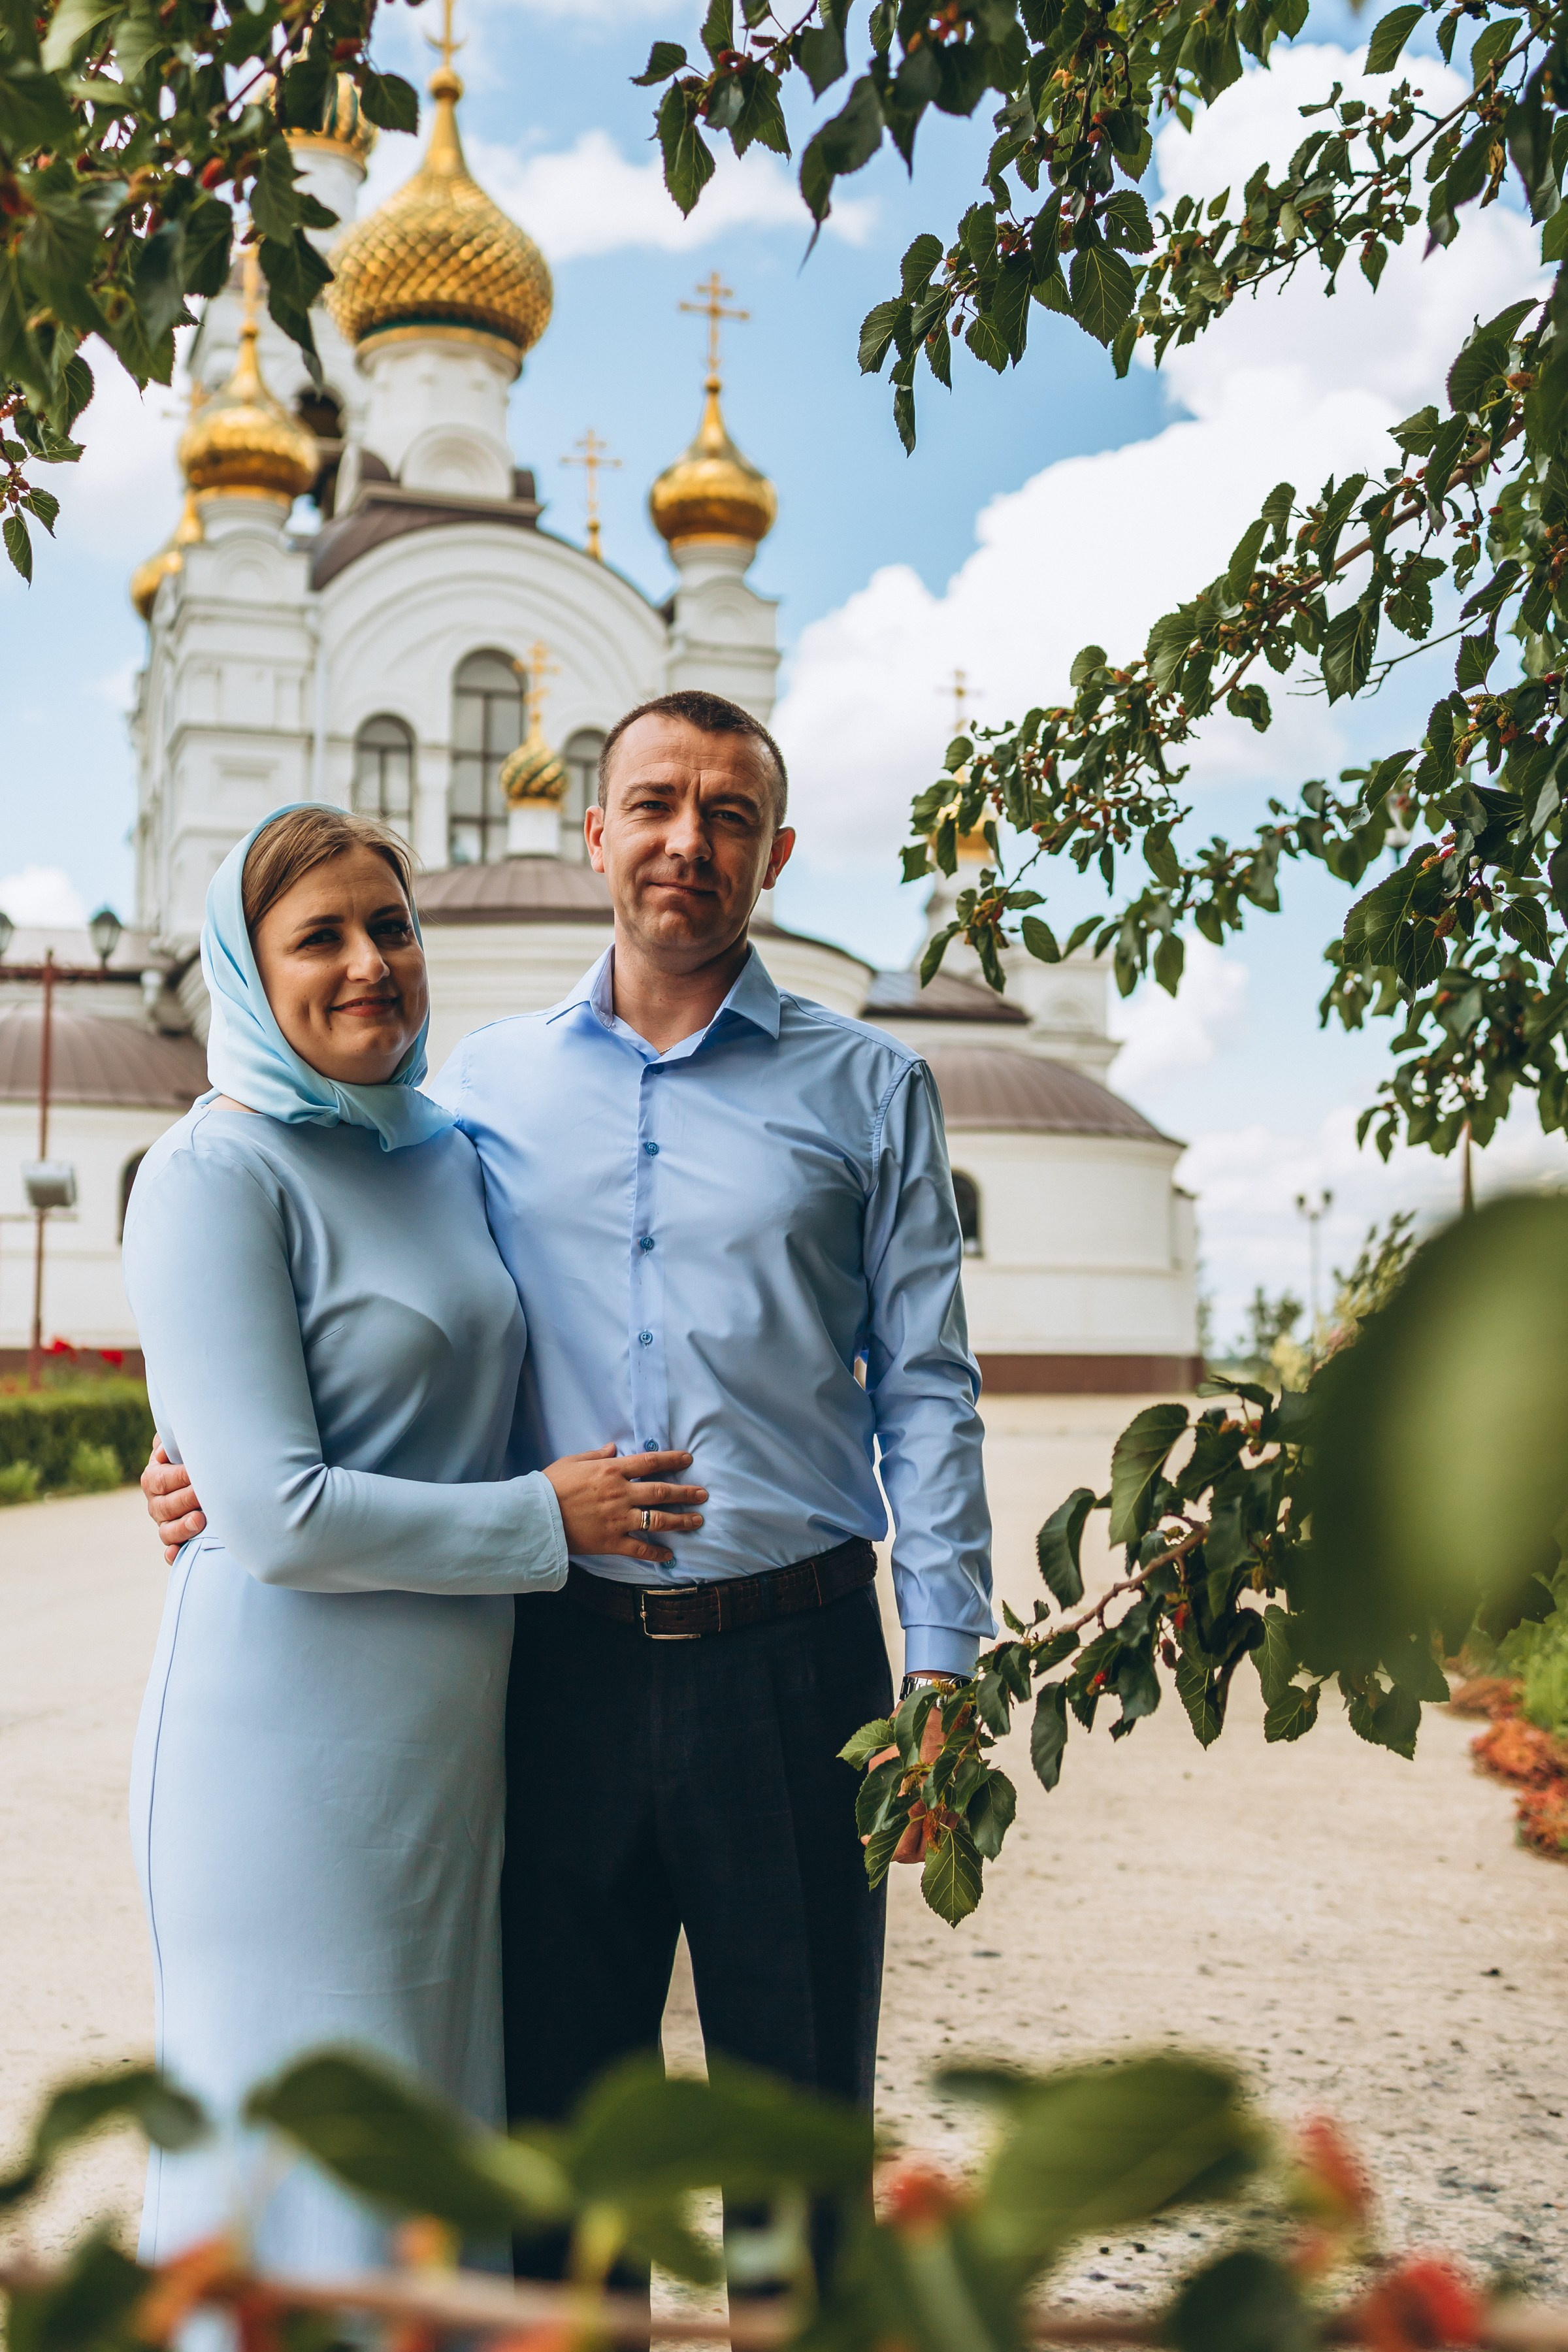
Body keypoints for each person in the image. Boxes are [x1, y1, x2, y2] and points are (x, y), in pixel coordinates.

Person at [144, 692, 993, 2232]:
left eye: (730, 816)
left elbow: (928, 1389)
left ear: (777, 853)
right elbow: (348, 1278)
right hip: (555, 1670)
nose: (688, 842)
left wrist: (943, 1666)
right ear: (595, 833)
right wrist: (194, 1440)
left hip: (794, 1662)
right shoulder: (479, 1092)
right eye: (655, 805)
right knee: (558, 2150)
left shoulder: (873, 1090)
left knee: (797, 2139)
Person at [123, 804, 704, 2275]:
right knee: (301, 2150)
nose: (368, 963)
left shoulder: (446, 1153)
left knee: (431, 2144)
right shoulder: (214, 1174)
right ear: (247, 971)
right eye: (317, 937)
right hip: (281, 1749)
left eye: (390, 927)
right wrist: (544, 1518)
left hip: (450, 1747)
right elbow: (277, 1515)